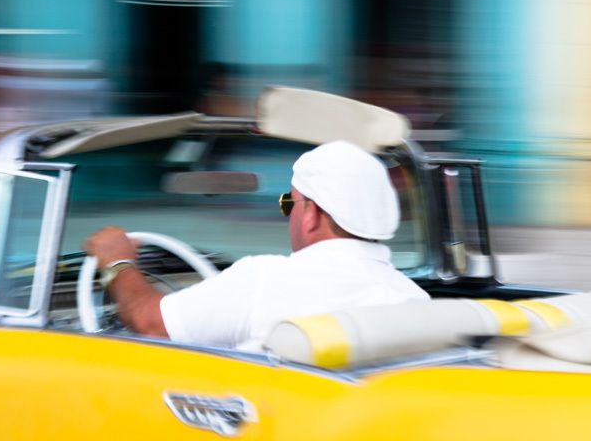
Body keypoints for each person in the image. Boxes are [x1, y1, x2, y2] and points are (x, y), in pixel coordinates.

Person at [84, 140, 428, 352]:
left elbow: (150, 324)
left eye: (289, 204)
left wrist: (118, 262)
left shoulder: (266, 280)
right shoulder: (412, 298)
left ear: (312, 215)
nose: (288, 217)